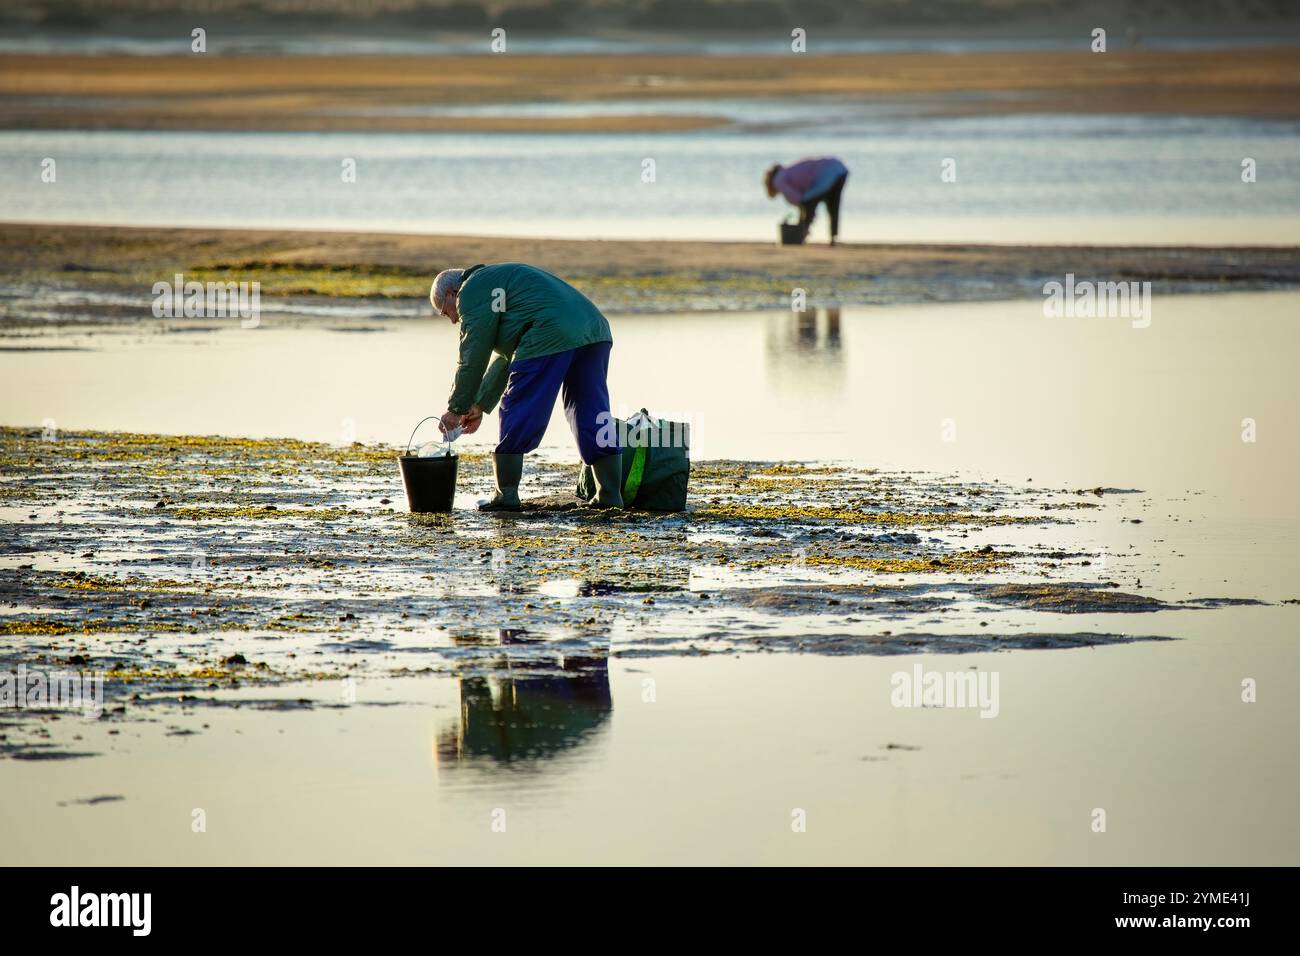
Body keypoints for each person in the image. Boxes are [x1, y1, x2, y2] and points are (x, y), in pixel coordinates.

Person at [431, 262, 623, 511]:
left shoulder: (471, 290)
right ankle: (609, 495)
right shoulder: (496, 282)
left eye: (446, 313)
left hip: (551, 330)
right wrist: (479, 404)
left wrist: (456, 408)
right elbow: (507, 356)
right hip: (595, 330)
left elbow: (473, 353)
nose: (453, 320)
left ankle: (506, 495)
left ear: (451, 294)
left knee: (518, 405)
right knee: (590, 411)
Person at [764, 156, 849, 244]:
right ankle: (833, 237)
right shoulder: (787, 172)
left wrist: (802, 209)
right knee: (833, 206)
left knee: (809, 204)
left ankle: (801, 235)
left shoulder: (778, 180)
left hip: (827, 174)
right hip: (839, 169)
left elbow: (797, 199)